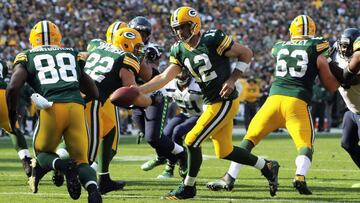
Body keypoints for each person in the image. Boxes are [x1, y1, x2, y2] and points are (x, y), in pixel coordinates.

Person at [137, 6, 280, 199]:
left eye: (184, 27)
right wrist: (138, 90)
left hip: (224, 100)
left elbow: (246, 53)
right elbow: (163, 77)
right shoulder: (178, 49)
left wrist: (232, 79)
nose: (180, 32)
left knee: (191, 140)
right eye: (177, 28)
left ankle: (188, 186)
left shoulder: (212, 39)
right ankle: (267, 166)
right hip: (211, 102)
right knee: (225, 151)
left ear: (194, 25)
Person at [206, 15, 339, 195]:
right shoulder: (317, 46)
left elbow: (280, 53)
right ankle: (299, 176)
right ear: (313, 31)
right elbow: (330, 85)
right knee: (305, 145)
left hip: (272, 101)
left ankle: (230, 177)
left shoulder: (280, 47)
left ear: (292, 31)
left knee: (249, 140)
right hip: (296, 103)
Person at [6, 20, 102, 203]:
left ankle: (64, 166)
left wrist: (12, 116)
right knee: (82, 160)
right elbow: (94, 92)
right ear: (59, 39)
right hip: (75, 108)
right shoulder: (72, 53)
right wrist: (78, 101)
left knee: (42, 154)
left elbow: (12, 88)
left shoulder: (27, 56)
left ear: (33, 40)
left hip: (52, 108)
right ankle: (93, 191)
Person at [55, 21, 129, 194]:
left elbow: (81, 56)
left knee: (104, 132)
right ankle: (69, 169)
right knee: (92, 145)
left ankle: (102, 177)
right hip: (98, 99)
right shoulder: (121, 56)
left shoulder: (96, 45)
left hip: (81, 93)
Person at [128, 16, 188, 176]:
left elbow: (150, 74)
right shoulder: (123, 48)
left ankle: (178, 157)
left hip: (154, 96)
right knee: (151, 138)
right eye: (137, 32)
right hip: (136, 99)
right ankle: (166, 157)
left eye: (143, 32)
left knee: (154, 137)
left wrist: (137, 54)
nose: (140, 35)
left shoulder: (151, 49)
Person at [328, 28, 360, 187]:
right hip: (353, 111)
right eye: (343, 45)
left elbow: (347, 79)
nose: (344, 49)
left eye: (348, 46)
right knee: (347, 143)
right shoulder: (335, 50)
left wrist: (327, 62)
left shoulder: (358, 58)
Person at [157, 69, 203, 179]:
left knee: (177, 131)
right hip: (184, 114)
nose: (181, 75)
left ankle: (183, 163)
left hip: (199, 115)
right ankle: (170, 166)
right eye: (179, 73)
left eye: (183, 73)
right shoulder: (170, 84)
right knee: (165, 134)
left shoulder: (197, 85)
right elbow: (162, 99)